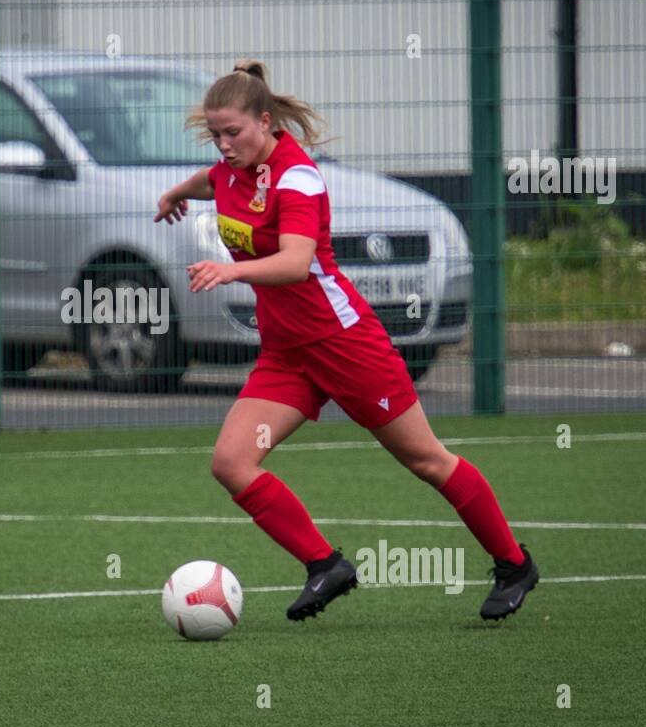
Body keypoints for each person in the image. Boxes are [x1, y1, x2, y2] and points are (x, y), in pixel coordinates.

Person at [154, 60, 539, 622]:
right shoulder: (228, 171)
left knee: (427, 461)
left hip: (344, 344)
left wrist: (230, 271)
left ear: (265, 121)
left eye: (233, 132)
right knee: (232, 462)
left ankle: (513, 564)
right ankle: (324, 565)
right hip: (288, 355)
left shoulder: (297, 176)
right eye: (214, 135)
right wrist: (172, 195)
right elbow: (208, 182)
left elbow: (296, 261)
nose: (223, 145)